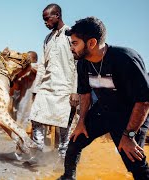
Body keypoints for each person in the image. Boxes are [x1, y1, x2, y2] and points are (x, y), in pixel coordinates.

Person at [58, 16, 149, 180]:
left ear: (91, 43)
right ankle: (67, 177)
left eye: (75, 43)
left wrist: (129, 135)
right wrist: (81, 122)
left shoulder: (125, 59)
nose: (71, 47)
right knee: (75, 142)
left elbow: (143, 101)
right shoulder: (83, 63)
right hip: (104, 110)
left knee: (134, 160)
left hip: (131, 116)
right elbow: (85, 93)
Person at [28, 3, 79, 159]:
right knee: (36, 117)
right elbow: (43, 65)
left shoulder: (72, 35)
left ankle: (64, 159)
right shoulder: (47, 39)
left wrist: (75, 91)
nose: (45, 23)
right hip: (47, 87)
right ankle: (38, 153)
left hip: (66, 88)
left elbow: (78, 65)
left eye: (47, 19)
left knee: (65, 126)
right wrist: (37, 89)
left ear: (57, 15)